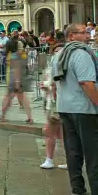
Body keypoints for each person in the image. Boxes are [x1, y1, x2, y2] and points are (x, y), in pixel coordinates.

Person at [52, 23, 98, 195]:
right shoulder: (81, 54)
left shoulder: (59, 55)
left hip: (65, 107)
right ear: (71, 36)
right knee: (94, 155)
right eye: (83, 33)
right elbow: (87, 83)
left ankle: (77, 189)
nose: (88, 36)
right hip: (84, 109)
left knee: (73, 152)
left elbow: (56, 83)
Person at [40, 32, 66, 170]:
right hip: (51, 103)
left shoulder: (68, 66)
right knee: (50, 131)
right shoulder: (50, 66)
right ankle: (49, 159)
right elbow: (47, 80)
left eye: (61, 51)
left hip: (65, 104)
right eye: (55, 51)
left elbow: (61, 84)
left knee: (64, 134)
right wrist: (45, 85)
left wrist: (49, 85)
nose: (58, 53)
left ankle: (70, 160)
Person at [0, 32, 33, 124]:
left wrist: (17, 83)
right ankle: (30, 117)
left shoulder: (12, 55)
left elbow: (16, 69)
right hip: (19, 78)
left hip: (14, 79)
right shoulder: (21, 54)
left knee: (8, 98)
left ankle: (3, 116)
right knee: (22, 98)